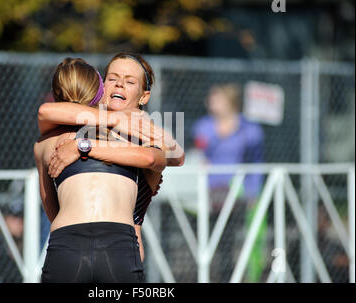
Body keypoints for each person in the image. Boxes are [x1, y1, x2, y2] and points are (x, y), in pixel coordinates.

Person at [34, 56, 174, 283]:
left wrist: (83, 147)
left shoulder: (43, 143)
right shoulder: (133, 137)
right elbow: (46, 111)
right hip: (115, 248)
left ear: (144, 96)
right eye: (112, 79)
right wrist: (114, 122)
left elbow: (165, 156)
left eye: (130, 82)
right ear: (101, 89)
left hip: (71, 244)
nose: (119, 85)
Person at [191, 83, 265, 282]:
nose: (210, 102)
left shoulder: (250, 130)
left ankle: (228, 276)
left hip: (234, 193)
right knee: (200, 240)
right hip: (206, 191)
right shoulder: (202, 126)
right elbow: (199, 153)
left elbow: (255, 163)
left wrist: (253, 193)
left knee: (228, 241)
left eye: (216, 98)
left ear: (229, 101)